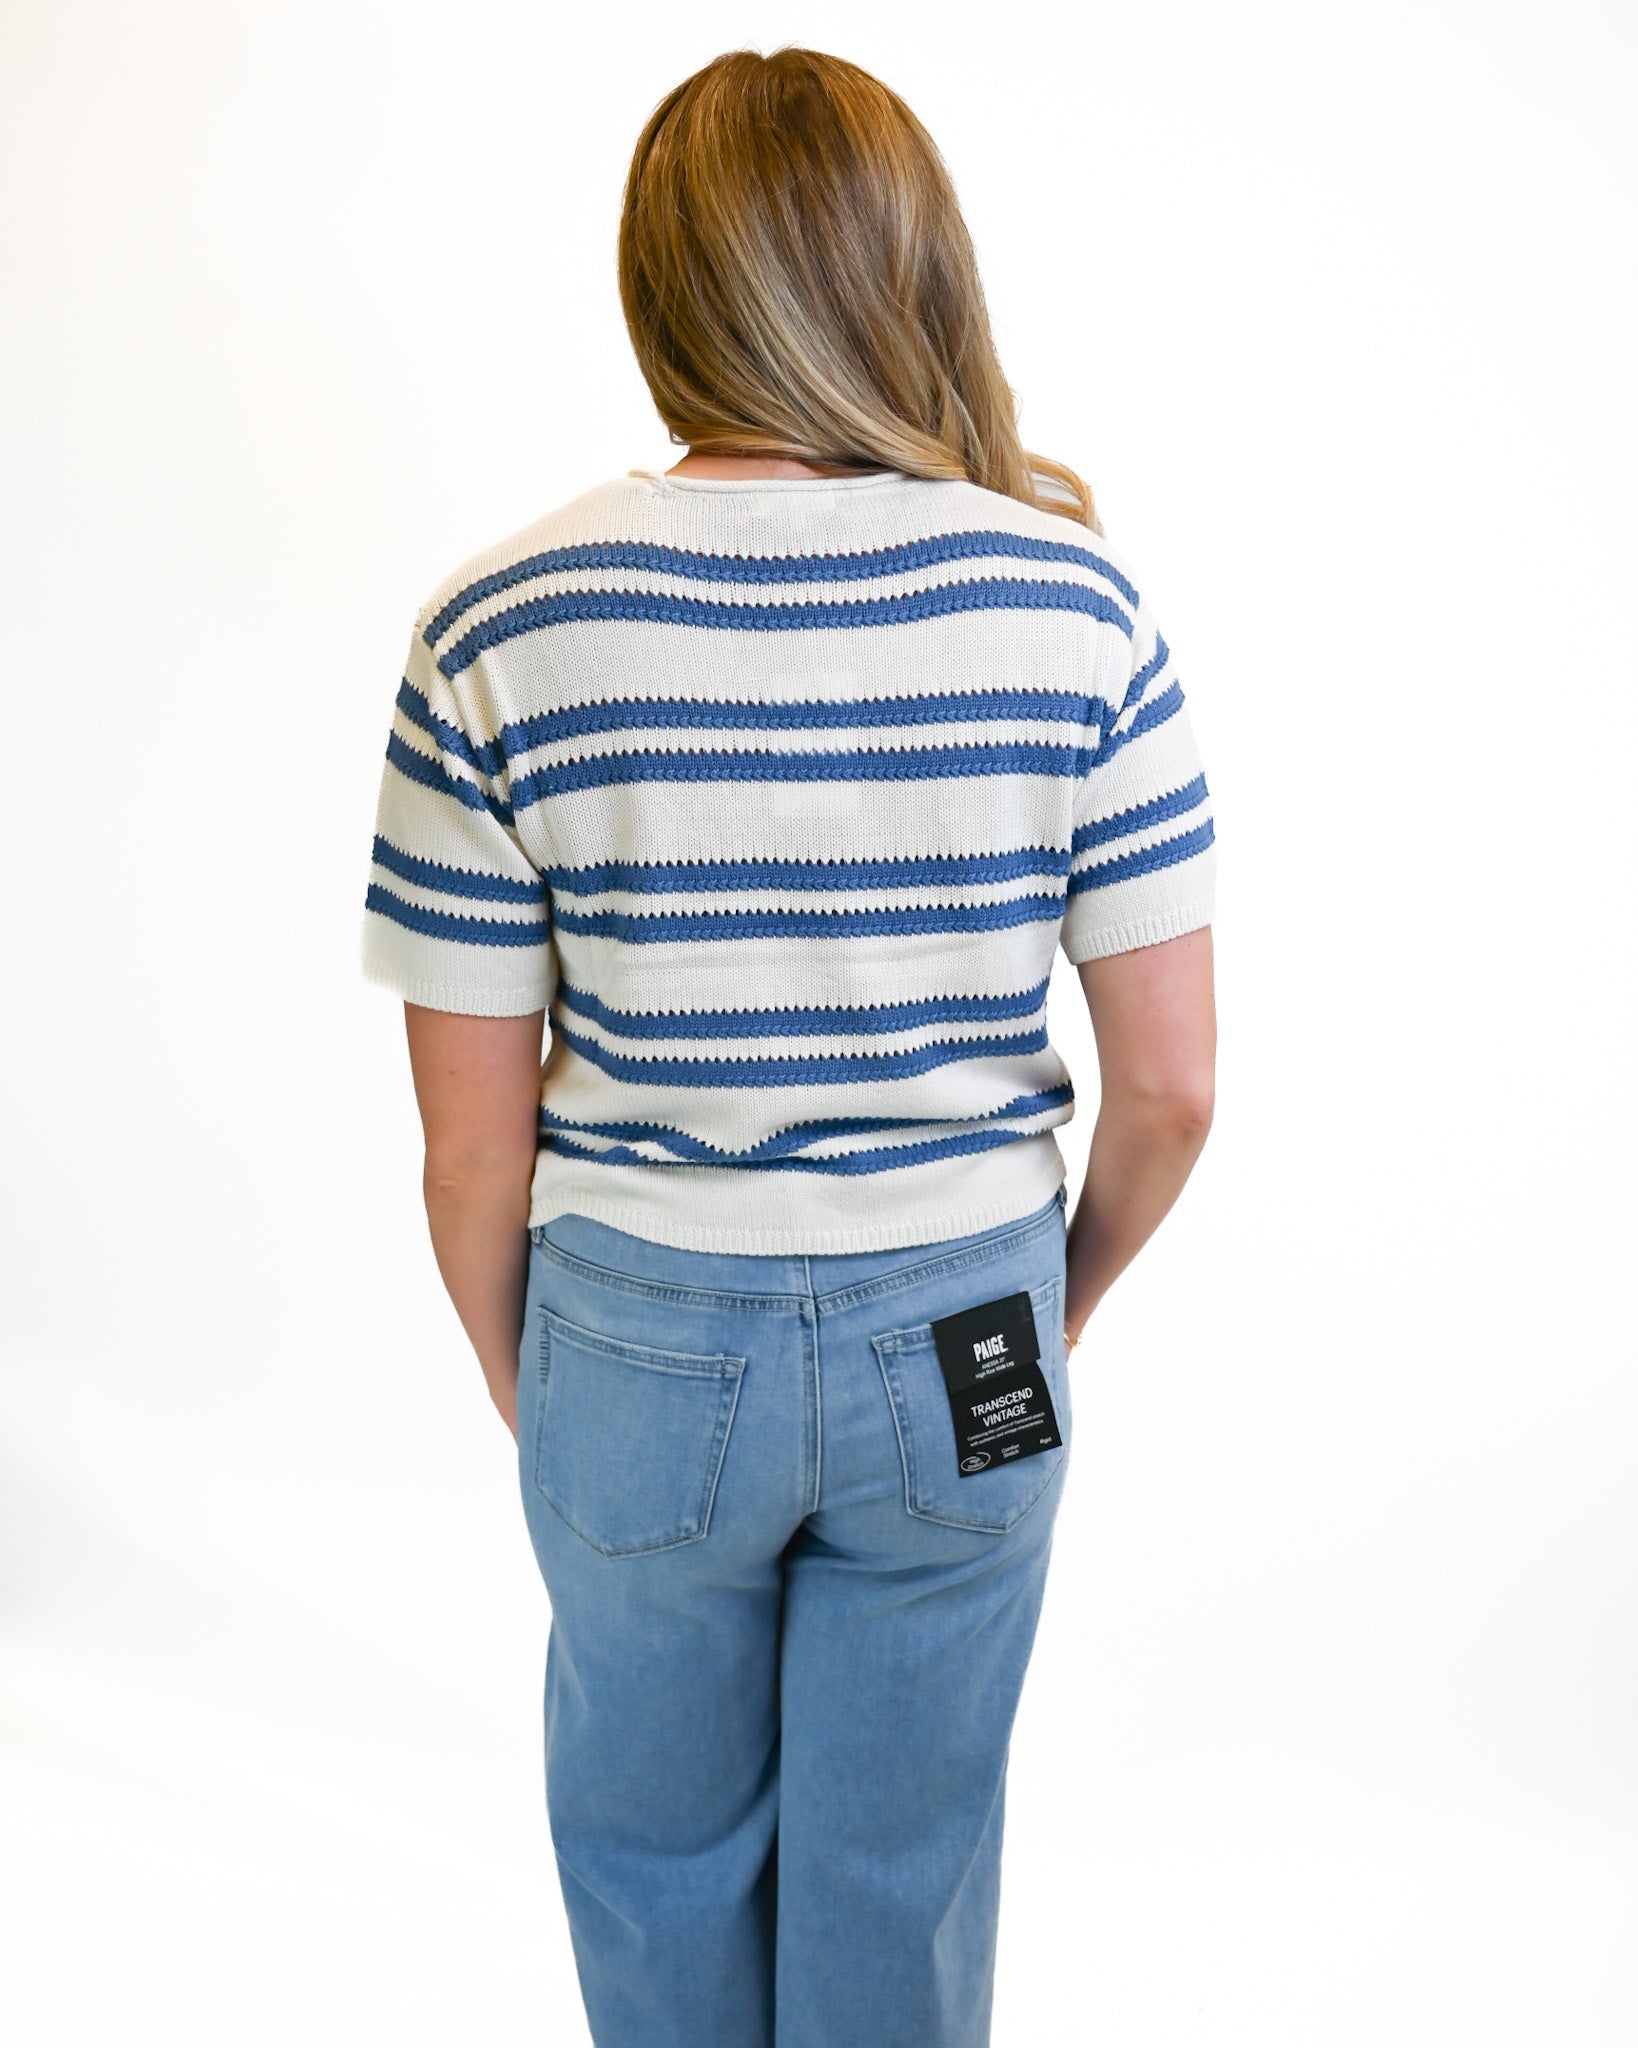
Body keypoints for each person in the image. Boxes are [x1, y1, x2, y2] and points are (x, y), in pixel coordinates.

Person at [360, 44, 1216, 2048]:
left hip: (638, 1333)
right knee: (904, 1867)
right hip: (970, 1328)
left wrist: (536, 1380)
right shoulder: (1073, 602)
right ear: (910, 264)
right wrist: (1047, 1305)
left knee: (655, 1858)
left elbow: (473, 1153)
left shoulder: (498, 622)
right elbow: (1174, 1089)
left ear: (660, 282)